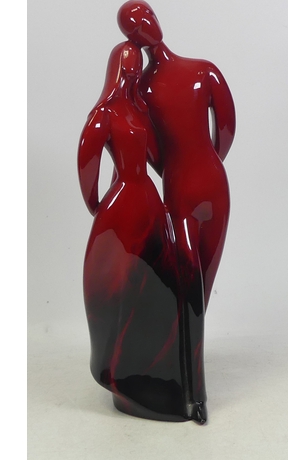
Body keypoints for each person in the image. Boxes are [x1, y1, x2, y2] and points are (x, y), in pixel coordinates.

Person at [117, 0, 236, 421]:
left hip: (212, 190)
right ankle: (194, 395)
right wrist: (184, 169)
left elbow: (226, 128)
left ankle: (187, 378)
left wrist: (200, 165)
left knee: (201, 286)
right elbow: (150, 151)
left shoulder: (203, 70)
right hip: (181, 196)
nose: (146, 25)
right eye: (135, 26)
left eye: (147, 15)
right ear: (131, 38)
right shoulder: (143, 92)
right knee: (190, 294)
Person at [78, 41, 204, 422]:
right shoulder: (103, 114)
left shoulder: (138, 110)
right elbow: (87, 161)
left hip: (148, 200)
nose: (134, 71)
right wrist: (100, 207)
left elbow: (158, 156)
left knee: (160, 287)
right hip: (122, 206)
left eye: (137, 65)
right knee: (121, 288)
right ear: (116, 69)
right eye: (128, 65)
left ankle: (164, 377)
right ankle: (122, 373)